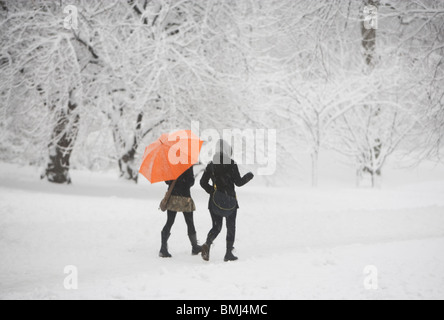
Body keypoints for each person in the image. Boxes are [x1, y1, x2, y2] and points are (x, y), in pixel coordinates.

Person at [200, 140, 254, 262]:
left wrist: (213, 192)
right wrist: (248, 177)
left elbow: (202, 182)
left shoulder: (211, 165)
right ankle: (228, 253)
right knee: (231, 226)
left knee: (216, 227)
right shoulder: (231, 164)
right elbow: (239, 183)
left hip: (214, 202)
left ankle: (207, 244)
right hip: (230, 201)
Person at [159, 166, 202, 258]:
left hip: (173, 196)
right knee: (190, 222)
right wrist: (184, 181)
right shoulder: (187, 164)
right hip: (185, 197)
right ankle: (194, 247)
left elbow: (167, 181)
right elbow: (191, 182)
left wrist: (175, 179)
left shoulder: (171, 163)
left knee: (169, 221)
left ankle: (163, 248)